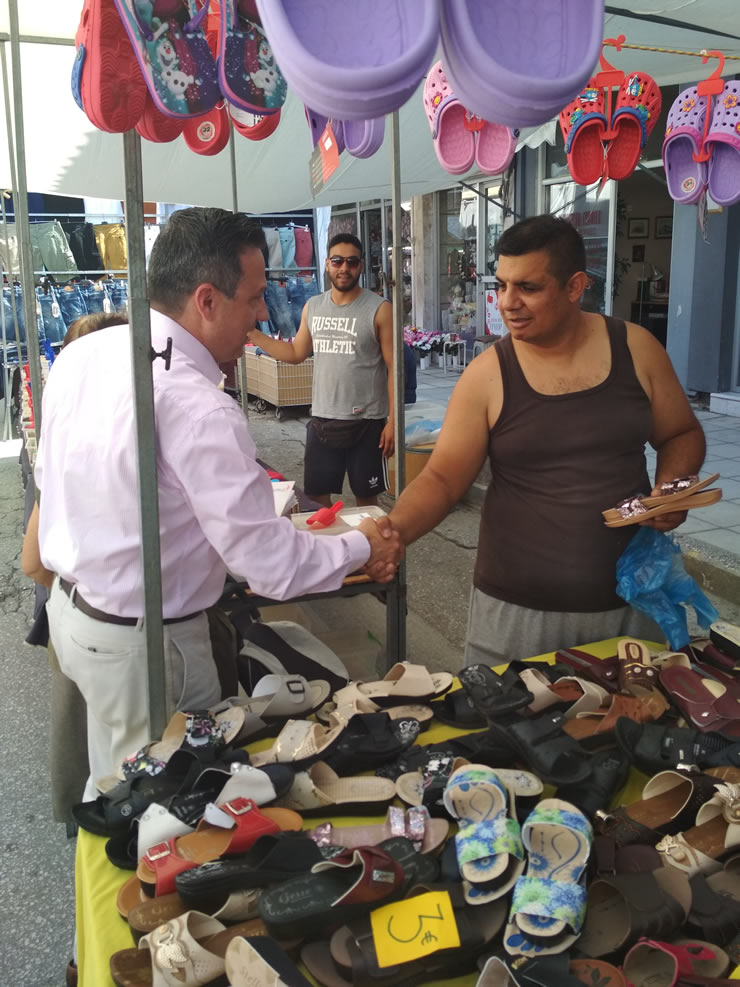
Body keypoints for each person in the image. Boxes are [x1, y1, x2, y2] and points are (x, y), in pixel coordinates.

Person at [34, 208, 402, 800]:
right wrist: (362, 543)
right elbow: (271, 566)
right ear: (206, 300)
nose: (262, 314)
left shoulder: (86, 352)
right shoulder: (196, 405)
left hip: (78, 615)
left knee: (115, 789)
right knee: (172, 805)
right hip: (146, 647)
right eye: (254, 298)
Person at [385, 215, 706, 663]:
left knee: (637, 710)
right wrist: (392, 534)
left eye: (528, 288)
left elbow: (681, 433)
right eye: (502, 285)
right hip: (515, 612)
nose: (507, 303)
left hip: (632, 603)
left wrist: (672, 487)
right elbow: (442, 478)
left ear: (575, 286)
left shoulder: (636, 349)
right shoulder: (487, 374)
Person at [22, 310, 129, 826]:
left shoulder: (68, 440)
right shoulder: (107, 446)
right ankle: (94, 823)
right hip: (95, 620)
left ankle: (82, 817)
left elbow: (35, 563)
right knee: (104, 742)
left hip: (72, 612)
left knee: (82, 727)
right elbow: (33, 562)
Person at [246, 233, 395, 508]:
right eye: (337, 261)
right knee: (316, 499)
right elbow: (296, 353)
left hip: (367, 421)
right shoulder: (313, 307)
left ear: (361, 266)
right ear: (327, 263)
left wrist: (394, 422)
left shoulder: (380, 309)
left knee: (367, 500)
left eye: (352, 262)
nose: (344, 268)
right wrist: (254, 335)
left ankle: (367, 539)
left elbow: (394, 368)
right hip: (323, 419)